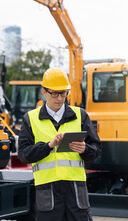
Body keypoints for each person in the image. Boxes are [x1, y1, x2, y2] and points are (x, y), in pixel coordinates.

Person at [18, 67, 102, 221]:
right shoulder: (30, 119)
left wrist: (85, 149)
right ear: (44, 92)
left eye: (63, 93)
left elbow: (96, 150)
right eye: (54, 93)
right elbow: (24, 155)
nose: (59, 98)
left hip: (75, 191)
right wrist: (48, 146)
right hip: (47, 191)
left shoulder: (80, 116)